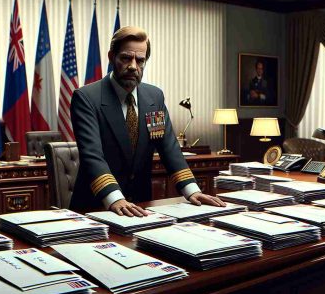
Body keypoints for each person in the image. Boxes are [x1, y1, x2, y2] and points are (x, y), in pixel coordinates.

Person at [70, 26, 225, 216]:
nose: (133, 66)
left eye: (140, 60)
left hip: (141, 206)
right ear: (112, 57)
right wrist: (115, 198)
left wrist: (192, 190)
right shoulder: (86, 97)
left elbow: (168, 147)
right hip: (95, 207)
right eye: (126, 58)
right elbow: (92, 155)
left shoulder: (154, 97)